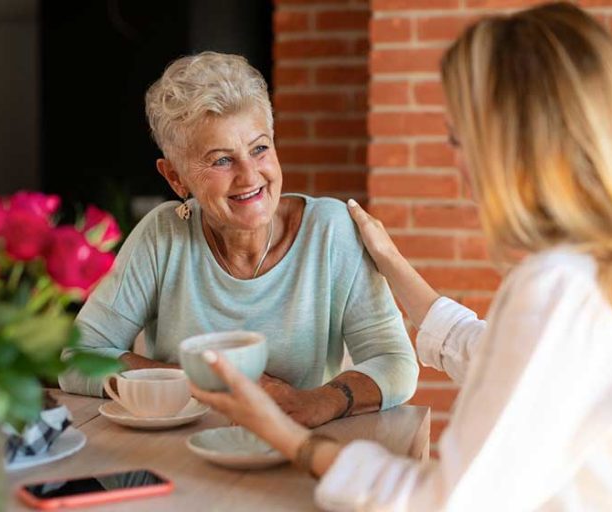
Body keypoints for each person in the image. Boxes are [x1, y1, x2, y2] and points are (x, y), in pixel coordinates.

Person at [190, 3, 612, 510]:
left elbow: (443, 501)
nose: (458, 163)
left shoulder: (562, 285)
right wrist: (390, 260)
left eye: (459, 138)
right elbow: (504, 360)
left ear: (514, 145)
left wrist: (286, 436)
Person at [58, 52, 419, 428]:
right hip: (175, 459)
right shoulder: (162, 235)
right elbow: (78, 359)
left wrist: (320, 402)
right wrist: (208, 384)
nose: (250, 176)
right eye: (221, 161)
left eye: (260, 148)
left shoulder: (330, 231)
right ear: (176, 178)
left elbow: (395, 362)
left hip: (287, 455)